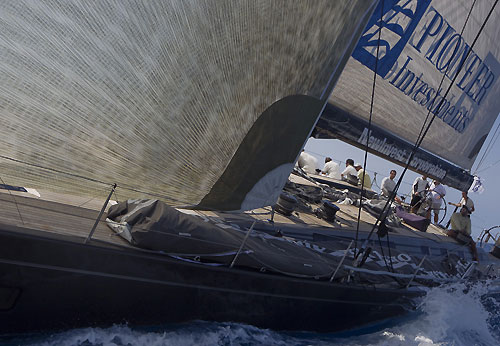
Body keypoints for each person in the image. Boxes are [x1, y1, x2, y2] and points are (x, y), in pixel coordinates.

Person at [446, 191, 478, 261]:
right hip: (456, 231)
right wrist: (452, 204)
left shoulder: (468, 218)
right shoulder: (456, 215)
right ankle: (461, 241)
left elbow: (469, 229)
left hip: (463, 233)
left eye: (465, 210)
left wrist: (466, 233)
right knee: (450, 232)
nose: (463, 211)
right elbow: (457, 223)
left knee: (472, 243)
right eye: (462, 210)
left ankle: (475, 257)